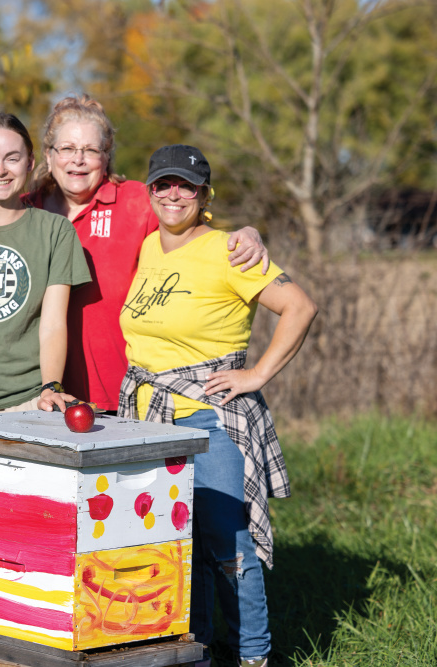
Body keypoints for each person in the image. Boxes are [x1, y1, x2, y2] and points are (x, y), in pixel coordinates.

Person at [117, 145, 318, 667]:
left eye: (186, 185)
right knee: (179, 545)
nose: (173, 194)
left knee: (229, 548)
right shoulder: (148, 250)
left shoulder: (228, 250)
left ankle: (254, 656)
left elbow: (299, 306)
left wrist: (256, 375)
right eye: (163, 184)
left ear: (205, 195)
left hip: (208, 420)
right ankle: (198, 650)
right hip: (149, 422)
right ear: (150, 191)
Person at [24, 94, 269, 413]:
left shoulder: (137, 202)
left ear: (106, 156)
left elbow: (194, 230)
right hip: (36, 395)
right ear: (49, 154)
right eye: (68, 149)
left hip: (124, 394)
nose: (78, 160)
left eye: (90, 150)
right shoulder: (25, 210)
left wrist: (247, 233)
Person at [0, 112, 91, 414]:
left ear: (30, 162)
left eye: (12, 158)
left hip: (26, 403)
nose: (0, 170)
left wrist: (51, 386)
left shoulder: (56, 230)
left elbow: (52, 324)